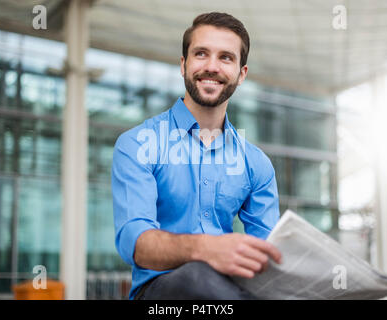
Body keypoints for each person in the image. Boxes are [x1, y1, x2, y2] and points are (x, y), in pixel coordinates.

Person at [111, 12, 282, 300]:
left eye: (226, 57)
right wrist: (206, 249)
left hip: (229, 292)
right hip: (159, 294)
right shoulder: (137, 144)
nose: (212, 66)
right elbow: (135, 243)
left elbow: (268, 252)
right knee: (198, 276)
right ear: (184, 64)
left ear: (241, 74)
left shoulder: (257, 164)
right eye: (201, 54)